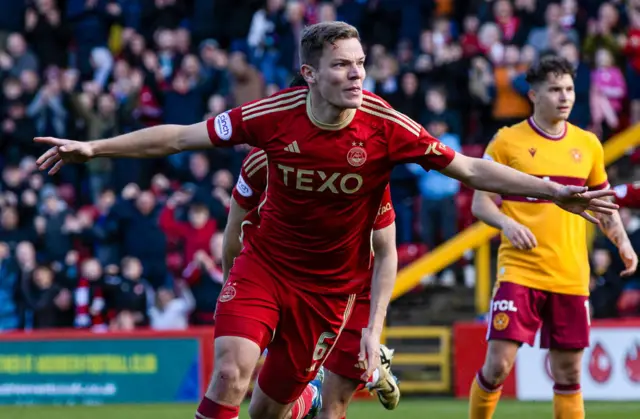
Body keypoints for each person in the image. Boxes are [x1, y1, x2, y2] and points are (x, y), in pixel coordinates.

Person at [34, 21, 617, 419]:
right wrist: (96, 147)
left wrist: (551, 191)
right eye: (342, 66)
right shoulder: (271, 116)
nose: (357, 75)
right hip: (265, 268)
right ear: (310, 73)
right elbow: (180, 138)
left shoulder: (388, 127)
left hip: (329, 292)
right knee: (230, 373)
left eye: (361, 64)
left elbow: (468, 169)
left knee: (270, 410)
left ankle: (306, 398)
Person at [469, 56, 638, 419]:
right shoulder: (507, 141)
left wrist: (622, 242)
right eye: (555, 90)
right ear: (533, 95)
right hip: (520, 271)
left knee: (569, 373)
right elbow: (480, 204)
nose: (565, 97)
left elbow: (604, 204)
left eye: (569, 89)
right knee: (498, 366)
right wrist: (507, 224)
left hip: (570, 275)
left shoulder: (588, 144)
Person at [223, 147, 400, 419]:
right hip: (291, 284)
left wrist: (374, 331)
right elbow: (234, 229)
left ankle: (373, 369)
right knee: (263, 412)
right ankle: (318, 392)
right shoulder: (264, 158)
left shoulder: (365, 165)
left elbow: (387, 250)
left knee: (332, 411)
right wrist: (230, 293)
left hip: (352, 290)